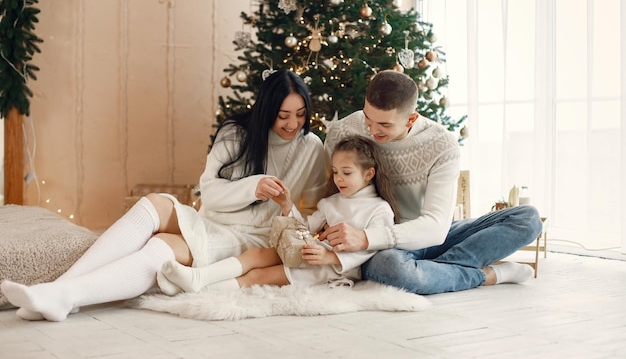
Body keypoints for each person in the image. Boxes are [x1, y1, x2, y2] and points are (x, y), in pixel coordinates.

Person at [0, 69, 327, 321]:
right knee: (153, 203)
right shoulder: (235, 133)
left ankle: (64, 296)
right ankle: (55, 292)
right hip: (211, 220)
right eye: (283, 115)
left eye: (300, 115)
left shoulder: (311, 148)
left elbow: (310, 214)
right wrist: (251, 187)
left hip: (251, 239)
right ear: (266, 109)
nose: (292, 124)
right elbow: (209, 195)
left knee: (161, 248)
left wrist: (285, 208)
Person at [320, 69, 544, 295]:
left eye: (384, 125)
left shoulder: (441, 144)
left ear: (411, 119)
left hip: (427, 233)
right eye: (368, 119)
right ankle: (485, 275)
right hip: (384, 248)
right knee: (392, 268)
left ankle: (434, 272)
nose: (372, 129)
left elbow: (436, 228)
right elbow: (329, 190)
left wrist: (365, 238)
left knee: (528, 219)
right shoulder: (344, 131)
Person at [156, 135, 397, 291]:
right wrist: (286, 204)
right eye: (335, 172)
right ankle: (199, 277)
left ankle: (200, 287)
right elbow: (303, 229)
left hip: (326, 268)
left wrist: (330, 258)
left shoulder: (378, 209)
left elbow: (372, 247)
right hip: (305, 252)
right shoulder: (331, 202)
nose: (339, 179)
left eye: (347, 172)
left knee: (259, 276)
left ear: (368, 174)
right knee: (256, 254)